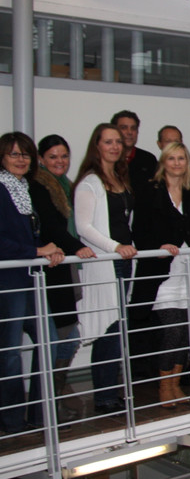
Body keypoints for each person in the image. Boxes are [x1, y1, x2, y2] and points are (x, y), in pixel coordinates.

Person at [131, 143, 190, 408]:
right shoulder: (150, 191)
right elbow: (139, 231)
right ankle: (164, 386)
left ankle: (175, 384)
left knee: (187, 332)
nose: (177, 163)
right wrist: (158, 247)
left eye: (181, 158)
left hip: (187, 270)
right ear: (163, 162)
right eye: (172, 158)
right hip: (161, 272)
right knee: (171, 331)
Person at [0, 133, 65, 433]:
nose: (21, 159)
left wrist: (49, 251)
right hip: (8, 280)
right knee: (10, 352)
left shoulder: (24, 188)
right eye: (14, 154)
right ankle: (12, 421)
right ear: (2, 157)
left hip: (30, 278)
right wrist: (36, 251)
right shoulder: (2, 189)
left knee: (49, 342)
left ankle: (40, 414)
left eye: (25, 154)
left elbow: (32, 235)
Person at [74, 123, 139, 414]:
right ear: (96, 146)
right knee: (107, 330)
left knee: (118, 329)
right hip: (106, 263)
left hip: (124, 262)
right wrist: (115, 247)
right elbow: (84, 227)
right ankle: (104, 397)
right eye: (108, 142)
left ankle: (111, 392)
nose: (114, 147)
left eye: (118, 142)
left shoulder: (120, 178)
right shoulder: (90, 182)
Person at [34, 134, 95, 421]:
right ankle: (50, 402)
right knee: (64, 337)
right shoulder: (38, 186)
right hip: (51, 270)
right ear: (41, 159)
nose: (60, 161)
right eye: (53, 157)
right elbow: (51, 228)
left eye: (64, 156)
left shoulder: (66, 186)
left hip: (63, 269)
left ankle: (55, 397)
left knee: (69, 337)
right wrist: (76, 247)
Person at [111, 110, 157, 197]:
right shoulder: (108, 160)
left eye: (133, 128)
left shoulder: (148, 160)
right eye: (124, 128)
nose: (129, 132)